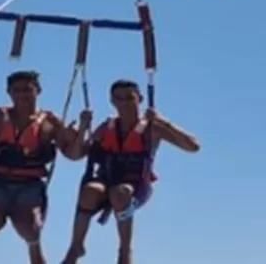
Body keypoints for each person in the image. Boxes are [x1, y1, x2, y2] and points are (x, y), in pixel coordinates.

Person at [60, 79, 200, 264]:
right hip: (106, 181)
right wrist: (82, 130)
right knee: (89, 191)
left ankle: (124, 252)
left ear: (139, 99)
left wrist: (165, 122)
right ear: (112, 101)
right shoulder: (106, 127)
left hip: (136, 187)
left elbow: (193, 146)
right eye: (119, 98)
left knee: (120, 193)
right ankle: (75, 247)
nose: (124, 103)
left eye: (129, 98)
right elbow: (76, 155)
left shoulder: (153, 128)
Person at [0, 70, 76, 264]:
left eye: (27, 90)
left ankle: (34, 249)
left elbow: (72, 154)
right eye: (16, 90)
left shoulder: (51, 122)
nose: (22, 95)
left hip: (30, 183)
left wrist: (78, 132)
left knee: (30, 226)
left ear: (38, 91)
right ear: (9, 93)